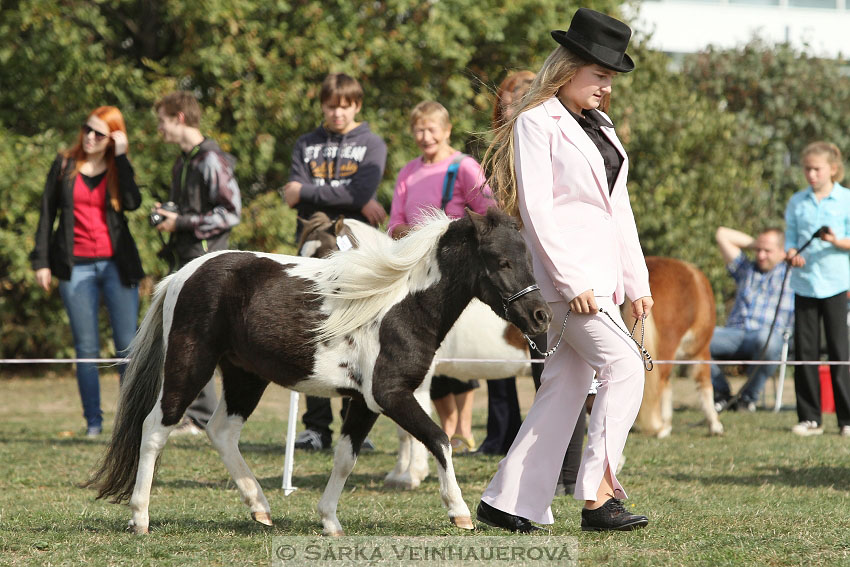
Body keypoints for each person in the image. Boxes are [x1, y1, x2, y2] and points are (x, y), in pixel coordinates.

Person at [475, 8, 653, 533]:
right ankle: (599, 498)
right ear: (568, 67)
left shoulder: (603, 127)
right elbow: (537, 212)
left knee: (564, 385)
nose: (607, 88)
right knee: (623, 368)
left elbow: (618, 209)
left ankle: (509, 502)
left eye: (612, 79)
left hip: (607, 279)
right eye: (600, 75)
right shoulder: (536, 122)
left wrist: (637, 281)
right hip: (569, 282)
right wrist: (573, 282)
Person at [283, 73, 387, 451]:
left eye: (345, 106)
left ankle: (353, 425)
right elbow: (291, 198)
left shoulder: (372, 143)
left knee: (355, 331)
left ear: (356, 105)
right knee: (312, 331)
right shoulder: (306, 144)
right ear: (323, 106)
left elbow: (360, 191)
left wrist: (309, 191)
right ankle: (315, 426)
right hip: (312, 245)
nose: (337, 112)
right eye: (331, 106)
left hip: (353, 247)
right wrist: (342, 196)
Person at [388, 100, 495, 453]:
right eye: (419, 129)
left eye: (432, 129)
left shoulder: (464, 167)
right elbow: (394, 225)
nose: (425, 136)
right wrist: (416, 234)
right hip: (418, 270)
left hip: (456, 271)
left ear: (447, 130)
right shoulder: (407, 172)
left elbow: (488, 214)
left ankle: (463, 425)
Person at [31, 106, 144, 437]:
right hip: (74, 267)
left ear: (112, 139)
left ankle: (131, 422)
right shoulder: (64, 163)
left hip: (116, 266)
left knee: (128, 345)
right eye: (87, 129)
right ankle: (93, 422)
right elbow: (47, 213)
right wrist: (41, 261)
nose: (90, 137)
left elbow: (134, 202)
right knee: (86, 348)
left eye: (99, 133)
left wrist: (121, 158)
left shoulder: (116, 168)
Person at [153, 91, 242, 435]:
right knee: (186, 335)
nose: (158, 128)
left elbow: (231, 213)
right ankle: (195, 414)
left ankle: (202, 417)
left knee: (200, 336)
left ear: (179, 118)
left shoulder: (211, 159)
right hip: (184, 258)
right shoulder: (183, 161)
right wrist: (171, 215)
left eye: (161, 120)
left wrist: (181, 222)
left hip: (206, 262)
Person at [785, 141, 850, 437]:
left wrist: (835, 241)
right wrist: (792, 253)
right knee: (805, 352)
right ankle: (810, 417)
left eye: (816, 169)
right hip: (805, 284)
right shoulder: (797, 202)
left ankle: (846, 418)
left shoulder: (846, 200)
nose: (811, 174)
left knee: (839, 351)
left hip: (836, 284)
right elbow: (790, 240)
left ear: (833, 170)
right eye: (807, 169)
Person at [711, 226, 794, 413]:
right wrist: (759, 244)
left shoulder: (792, 273)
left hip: (768, 336)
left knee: (769, 340)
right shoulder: (745, 269)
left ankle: (747, 399)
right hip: (734, 334)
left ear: (782, 252)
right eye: (758, 250)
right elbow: (722, 234)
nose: (761, 255)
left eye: (768, 251)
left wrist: (790, 253)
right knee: (697, 339)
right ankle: (722, 394)